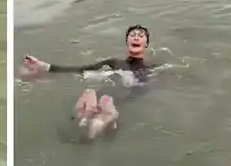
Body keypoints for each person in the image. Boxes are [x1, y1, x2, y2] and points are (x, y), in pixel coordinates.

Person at [20, 24, 161, 139]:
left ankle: (92, 136)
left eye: (140, 36)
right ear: (127, 41)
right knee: (89, 94)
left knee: (104, 104)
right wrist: (43, 66)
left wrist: (120, 102)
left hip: (118, 101)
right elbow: (81, 70)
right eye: (132, 35)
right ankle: (80, 134)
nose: (136, 38)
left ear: (146, 44)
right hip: (101, 96)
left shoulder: (150, 69)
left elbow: (142, 91)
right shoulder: (113, 63)